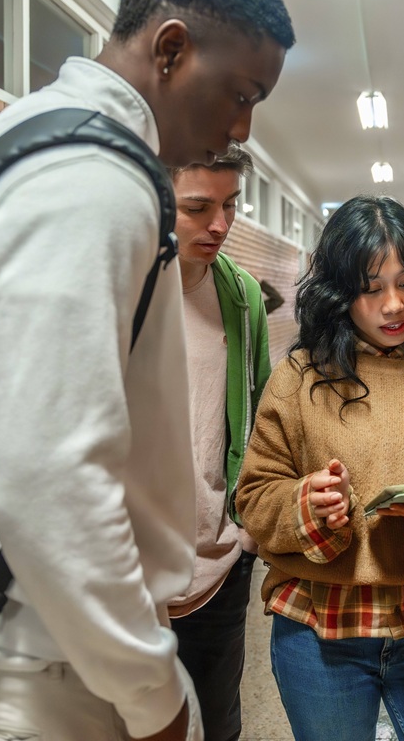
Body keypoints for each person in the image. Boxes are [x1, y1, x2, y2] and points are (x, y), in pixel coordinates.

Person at [0, 0, 293, 739]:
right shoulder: (91, 181)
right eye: (239, 93)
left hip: (61, 644)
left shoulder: (35, 136)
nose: (240, 126)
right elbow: (52, 478)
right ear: (170, 49)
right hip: (62, 660)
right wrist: (150, 692)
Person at [235, 195, 404, 741]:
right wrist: (305, 506)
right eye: (371, 288)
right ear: (341, 293)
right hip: (318, 631)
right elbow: (254, 495)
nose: (394, 306)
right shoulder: (297, 377)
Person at [166, 146, 271, 741]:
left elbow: (254, 418)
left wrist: (245, 536)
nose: (221, 225)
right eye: (199, 207)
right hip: (123, 575)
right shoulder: (116, 290)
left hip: (216, 567)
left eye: (231, 205)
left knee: (216, 725)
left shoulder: (242, 298)